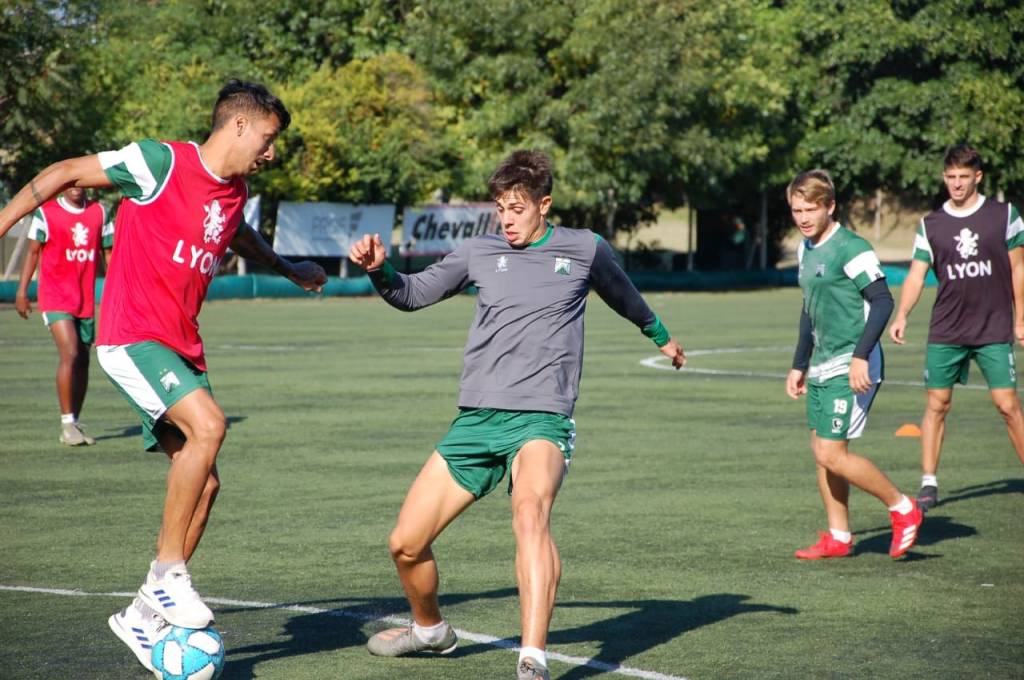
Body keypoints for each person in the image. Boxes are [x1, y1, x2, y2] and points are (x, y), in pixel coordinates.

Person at [0, 79, 327, 673]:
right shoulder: (160, 162)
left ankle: (143, 616)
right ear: (238, 126)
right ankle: (171, 574)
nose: (273, 150)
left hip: (180, 346)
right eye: (270, 137)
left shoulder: (236, 191)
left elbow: (237, 233)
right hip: (130, 335)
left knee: (204, 483)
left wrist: (286, 268)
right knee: (209, 427)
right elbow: (64, 172)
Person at [349, 150, 685, 680]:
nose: (506, 219)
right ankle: (431, 630)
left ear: (544, 204)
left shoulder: (583, 248)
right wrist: (378, 270)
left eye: (517, 208)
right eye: (500, 208)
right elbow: (411, 294)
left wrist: (660, 336)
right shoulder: (479, 252)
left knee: (530, 514)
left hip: (543, 419)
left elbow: (624, 295)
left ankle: (532, 659)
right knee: (405, 543)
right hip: (477, 420)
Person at [785, 169, 923, 560]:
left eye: (811, 209)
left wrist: (861, 356)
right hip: (823, 363)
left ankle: (903, 508)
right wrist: (799, 363)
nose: (803, 217)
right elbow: (808, 309)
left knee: (832, 453)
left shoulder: (852, 248)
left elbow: (882, 301)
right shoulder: (804, 249)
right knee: (821, 450)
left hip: (853, 362)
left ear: (831, 206)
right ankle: (839, 536)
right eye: (797, 210)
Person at [889, 144, 1024, 511]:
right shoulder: (931, 225)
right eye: (951, 177)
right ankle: (928, 482)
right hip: (947, 329)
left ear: (978, 176)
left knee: (1008, 405)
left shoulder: (1004, 215)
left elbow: (1017, 268)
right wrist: (902, 314)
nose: (957, 184)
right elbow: (916, 275)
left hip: (992, 326)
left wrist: (1020, 316)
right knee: (937, 404)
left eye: (964, 177)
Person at [14, 187, 114, 445]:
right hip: (55, 297)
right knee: (69, 353)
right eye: (70, 182)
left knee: (83, 359)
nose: (76, 187)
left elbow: (109, 254)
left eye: (80, 182)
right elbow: (33, 253)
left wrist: (118, 290)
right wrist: (22, 291)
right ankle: (66, 424)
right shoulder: (46, 214)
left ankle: (74, 423)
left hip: (85, 299)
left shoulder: (100, 212)